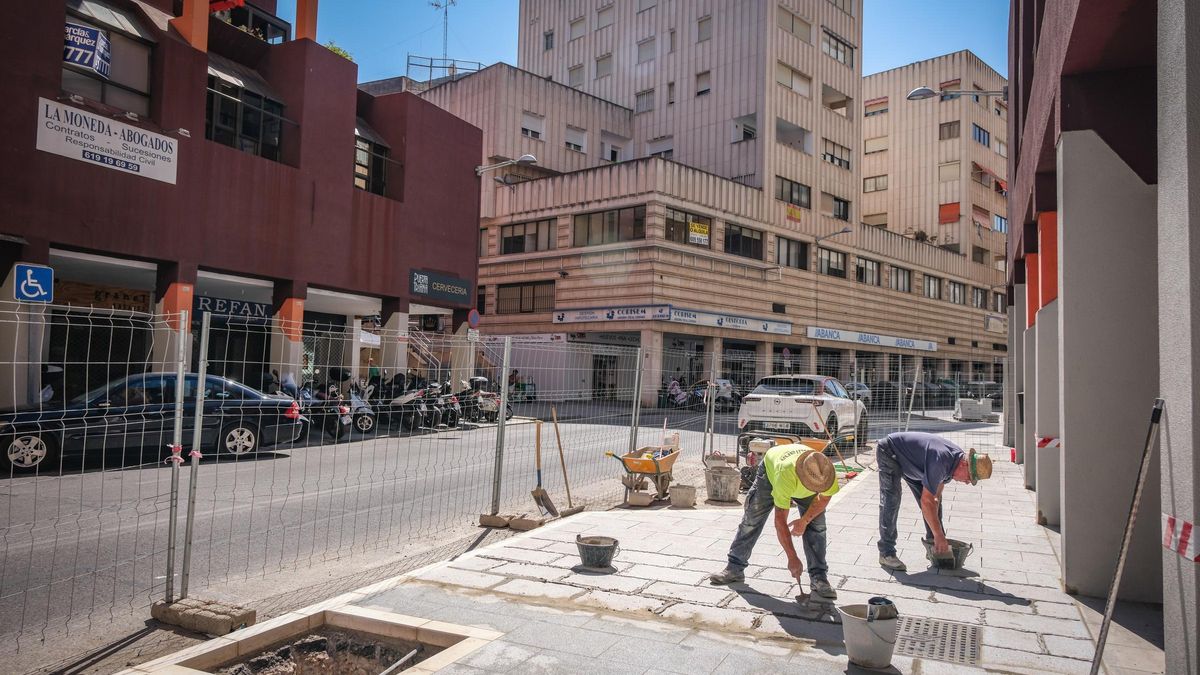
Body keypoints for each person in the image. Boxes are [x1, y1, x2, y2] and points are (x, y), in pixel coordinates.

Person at [709, 443, 841, 599]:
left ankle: (819, 578)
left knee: (817, 527)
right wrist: (792, 558)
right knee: (752, 519)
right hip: (771, 473)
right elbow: (780, 521)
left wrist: (804, 521)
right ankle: (734, 568)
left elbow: (824, 498)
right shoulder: (786, 474)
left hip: (799, 478)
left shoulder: (825, 472)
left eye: (817, 486)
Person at [875, 431, 994, 571]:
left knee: (935, 504)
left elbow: (934, 498)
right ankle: (886, 553)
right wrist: (939, 535)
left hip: (914, 463)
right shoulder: (942, 461)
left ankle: (935, 548)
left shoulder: (954, 462)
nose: (968, 482)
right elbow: (927, 502)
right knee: (891, 500)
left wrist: (939, 536)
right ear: (964, 464)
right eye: (969, 477)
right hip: (890, 451)